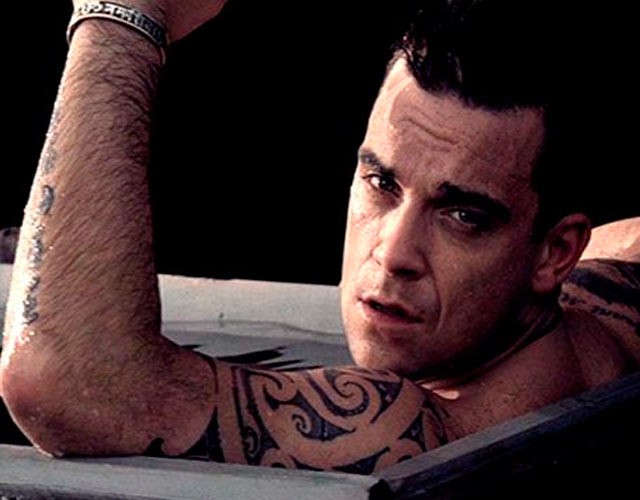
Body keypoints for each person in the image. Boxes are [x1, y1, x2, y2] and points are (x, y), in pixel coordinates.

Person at [0, 0, 638, 473]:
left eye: (463, 217)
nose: (393, 254)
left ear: (556, 252)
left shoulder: (434, 427)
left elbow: (68, 383)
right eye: (382, 183)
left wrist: (120, 20)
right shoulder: (606, 311)